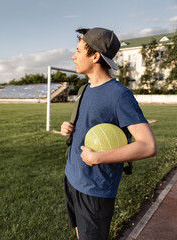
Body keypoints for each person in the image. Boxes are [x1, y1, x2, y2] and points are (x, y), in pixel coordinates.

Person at [60, 27, 157, 240]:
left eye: (78, 51)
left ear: (95, 56)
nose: (73, 56)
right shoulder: (85, 89)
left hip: (95, 189)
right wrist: (70, 127)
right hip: (73, 177)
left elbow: (148, 145)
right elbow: (92, 126)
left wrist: (97, 158)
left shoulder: (119, 95)